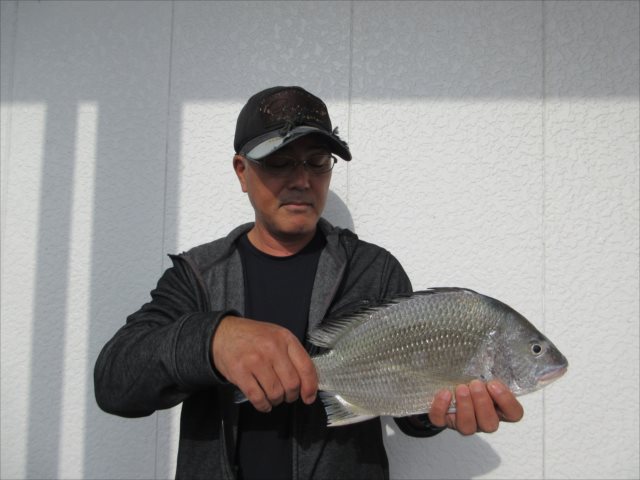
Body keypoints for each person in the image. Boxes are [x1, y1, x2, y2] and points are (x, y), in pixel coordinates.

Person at [94, 86, 524, 480]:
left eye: (317, 162)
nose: (301, 180)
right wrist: (212, 339)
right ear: (242, 171)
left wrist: (439, 410)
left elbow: (407, 405)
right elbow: (114, 382)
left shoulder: (373, 270)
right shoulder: (198, 275)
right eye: (279, 161)